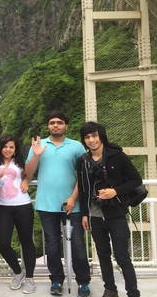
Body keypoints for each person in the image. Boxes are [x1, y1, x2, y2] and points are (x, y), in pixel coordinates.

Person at [25, 111, 91, 297]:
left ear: (66, 126)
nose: (55, 125)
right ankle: (56, 280)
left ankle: (83, 282)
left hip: (73, 204)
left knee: (78, 244)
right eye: (52, 122)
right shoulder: (39, 145)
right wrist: (36, 155)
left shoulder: (77, 147)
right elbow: (27, 174)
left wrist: (73, 198)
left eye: (59, 123)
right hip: (46, 204)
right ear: (48, 126)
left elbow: (83, 176)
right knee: (52, 244)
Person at [77, 122, 141, 297]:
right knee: (103, 255)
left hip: (116, 214)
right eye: (87, 137)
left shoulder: (117, 156)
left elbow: (136, 180)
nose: (91, 140)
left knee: (122, 257)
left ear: (101, 136)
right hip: (95, 216)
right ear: (84, 140)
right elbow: (83, 189)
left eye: (94, 136)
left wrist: (115, 191)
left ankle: (133, 292)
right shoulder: (82, 161)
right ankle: (110, 289)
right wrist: (84, 214)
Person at [0, 134, 36, 294]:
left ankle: (30, 278)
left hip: (22, 205)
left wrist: (25, 181)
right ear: (0, 147)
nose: (8, 150)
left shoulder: (19, 161)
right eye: (5, 146)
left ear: (15, 149)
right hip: (1, 206)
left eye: (11, 147)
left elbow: (28, 174)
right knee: (2, 242)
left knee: (26, 241)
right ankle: (18, 272)